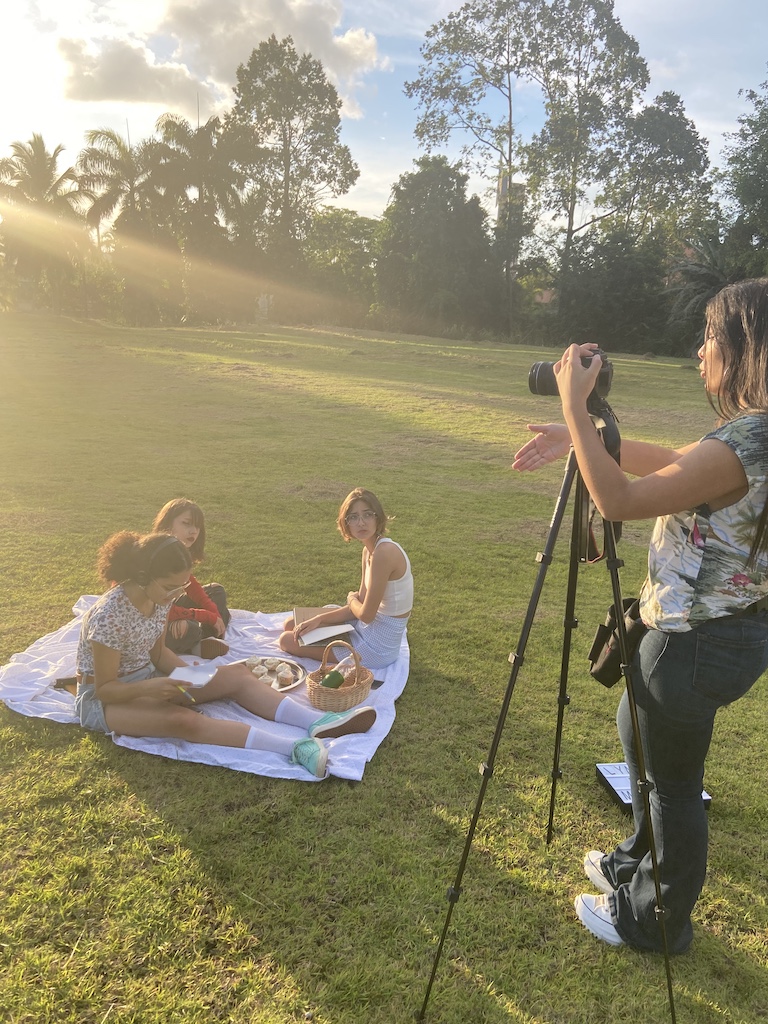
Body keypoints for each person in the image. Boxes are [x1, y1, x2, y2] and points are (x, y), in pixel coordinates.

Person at [513, 278, 768, 954]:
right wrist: (587, 440)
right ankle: (636, 864)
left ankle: (653, 919)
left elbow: (622, 500)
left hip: (696, 638)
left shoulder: (754, 438)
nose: (700, 349)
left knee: (675, 785)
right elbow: (679, 468)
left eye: (712, 337)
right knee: (641, 736)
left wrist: (574, 407)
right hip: (706, 633)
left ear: (747, 346)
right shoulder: (752, 434)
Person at [75, 531, 377, 778]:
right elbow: (105, 688)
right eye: (169, 587)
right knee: (184, 722)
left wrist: (194, 679)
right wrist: (152, 687)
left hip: (149, 678)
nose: (173, 596)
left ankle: (318, 722)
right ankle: (295, 747)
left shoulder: (159, 598)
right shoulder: (110, 615)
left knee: (237, 674)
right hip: (103, 701)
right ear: (143, 576)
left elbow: (158, 653)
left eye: (179, 587)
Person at [278, 489, 413, 669]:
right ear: (346, 523)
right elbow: (360, 607)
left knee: (287, 640)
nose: (361, 523)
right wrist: (319, 619)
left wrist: (351, 599)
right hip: (363, 627)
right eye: (353, 517)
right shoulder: (369, 551)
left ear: (378, 518)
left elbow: (365, 614)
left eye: (367, 515)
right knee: (291, 624)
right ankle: (318, 624)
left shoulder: (384, 553)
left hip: (377, 648)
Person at [151, 498, 230, 659]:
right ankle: (197, 642)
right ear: (167, 523)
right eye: (186, 523)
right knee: (188, 628)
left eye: (197, 526)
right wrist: (206, 616)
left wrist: (214, 613)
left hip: (168, 607)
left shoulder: (179, 551)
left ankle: (207, 640)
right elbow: (160, 611)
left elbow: (191, 586)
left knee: (216, 592)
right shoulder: (156, 554)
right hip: (152, 619)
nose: (194, 531)